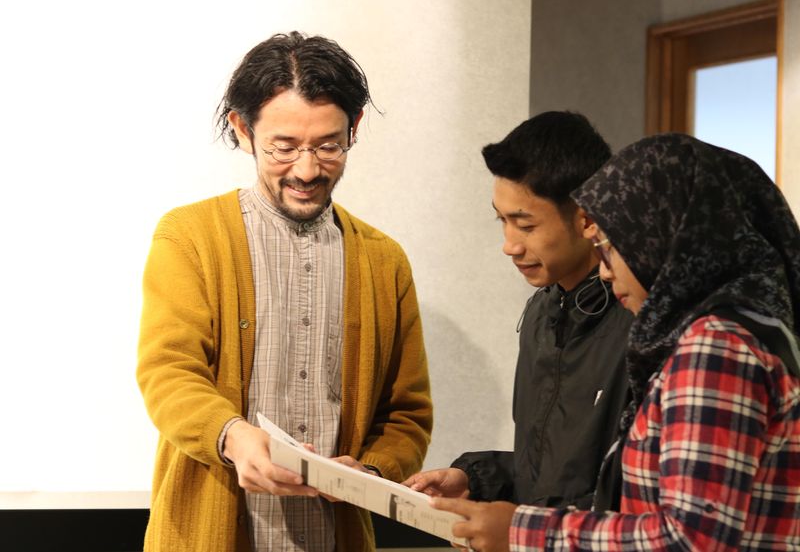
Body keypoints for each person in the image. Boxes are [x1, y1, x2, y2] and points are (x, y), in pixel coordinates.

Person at [136, 32, 433, 552]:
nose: (307, 169)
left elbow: (406, 414)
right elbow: (168, 372)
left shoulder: (384, 261)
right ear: (243, 130)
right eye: (285, 147)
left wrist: (369, 472)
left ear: (354, 129)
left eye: (328, 146)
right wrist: (232, 436)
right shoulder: (190, 237)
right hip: (210, 534)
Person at [432, 133, 800, 551]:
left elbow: (689, 539)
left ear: (662, 238)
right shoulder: (703, 335)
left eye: (611, 246)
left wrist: (521, 532)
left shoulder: (716, 347)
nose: (606, 270)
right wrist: (482, 480)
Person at [404, 112, 632, 510]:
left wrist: (523, 531)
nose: (509, 245)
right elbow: (547, 474)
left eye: (525, 226)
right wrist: (477, 480)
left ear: (586, 218)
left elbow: (630, 494)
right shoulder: (541, 314)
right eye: (502, 220)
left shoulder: (638, 321)